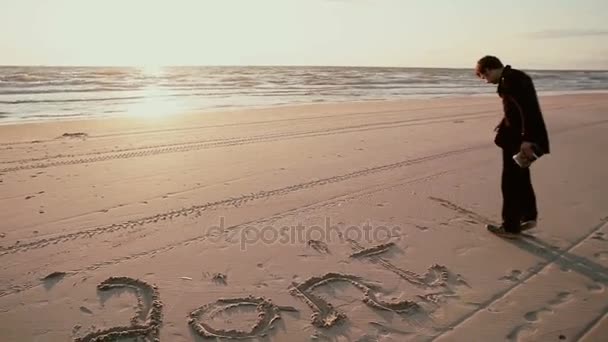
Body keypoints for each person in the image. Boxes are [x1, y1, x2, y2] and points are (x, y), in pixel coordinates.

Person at [475, 55, 550, 236]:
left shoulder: (509, 81)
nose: (486, 81)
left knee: (510, 182)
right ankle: (528, 216)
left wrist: (527, 139)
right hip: (523, 136)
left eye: (484, 77)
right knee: (522, 177)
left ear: (489, 70)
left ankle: (510, 227)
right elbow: (519, 109)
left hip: (519, 140)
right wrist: (504, 122)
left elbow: (527, 109)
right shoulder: (517, 76)